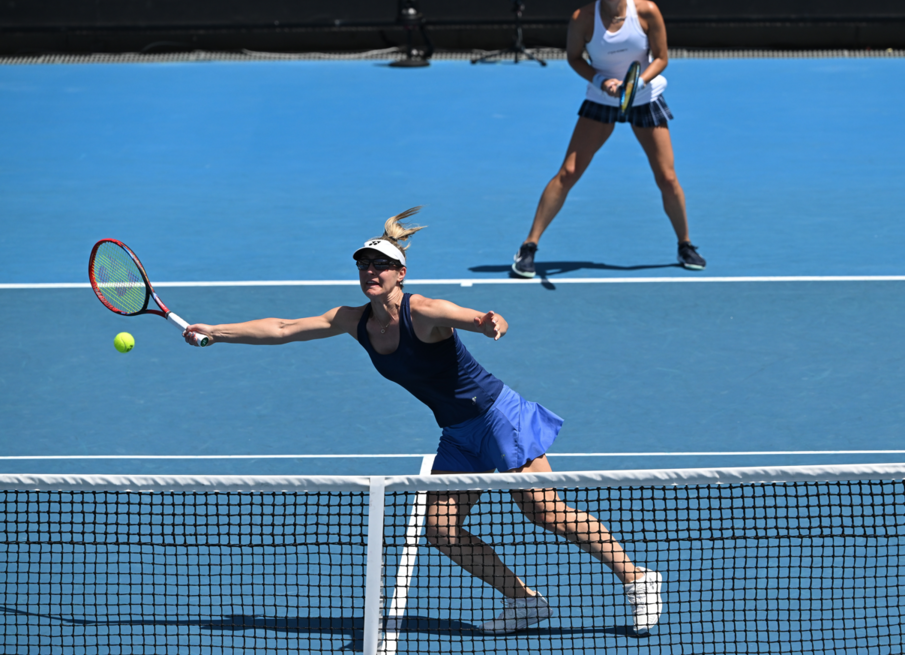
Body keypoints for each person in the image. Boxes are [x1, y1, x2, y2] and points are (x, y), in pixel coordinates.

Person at [183, 207, 662, 635]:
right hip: (457, 432)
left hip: (498, 418)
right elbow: (284, 329)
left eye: (380, 266)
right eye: (364, 265)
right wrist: (216, 333)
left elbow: (464, 314)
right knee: (441, 530)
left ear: (400, 273)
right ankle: (524, 601)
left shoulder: (424, 312)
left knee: (544, 511)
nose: (370, 272)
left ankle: (639, 580)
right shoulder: (354, 321)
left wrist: (486, 320)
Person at [512, 0, 706, 278]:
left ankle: (685, 244)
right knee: (568, 172)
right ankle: (529, 247)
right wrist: (602, 80)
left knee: (667, 178)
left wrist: (636, 83)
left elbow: (661, 58)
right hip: (601, 99)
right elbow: (574, 58)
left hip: (644, 98)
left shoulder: (647, 11)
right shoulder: (583, 17)